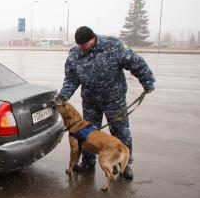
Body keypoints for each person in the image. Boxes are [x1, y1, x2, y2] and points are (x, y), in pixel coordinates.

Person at [57, 26, 155, 179]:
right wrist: (63, 96)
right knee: (87, 134)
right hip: (90, 101)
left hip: (114, 99)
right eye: (79, 45)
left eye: (84, 45)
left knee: (120, 132)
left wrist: (147, 81)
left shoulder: (112, 45)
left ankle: (125, 164)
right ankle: (88, 164)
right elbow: (71, 79)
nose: (81, 48)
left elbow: (136, 62)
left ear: (92, 39)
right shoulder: (74, 54)